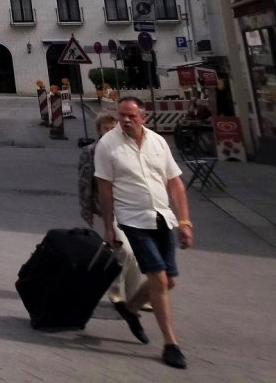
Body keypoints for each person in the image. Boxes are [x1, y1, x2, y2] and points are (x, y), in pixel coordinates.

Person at [96, 98, 194, 370]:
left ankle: (129, 309)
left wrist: (185, 222)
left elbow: (175, 182)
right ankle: (171, 344)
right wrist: (108, 226)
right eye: (122, 116)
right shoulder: (107, 145)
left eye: (131, 116)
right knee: (160, 282)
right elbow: (104, 188)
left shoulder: (158, 142)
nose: (126, 121)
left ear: (143, 117)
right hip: (132, 220)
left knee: (169, 281)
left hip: (162, 217)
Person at [79, 111, 149, 343]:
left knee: (134, 254)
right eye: (105, 129)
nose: (109, 132)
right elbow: (84, 182)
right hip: (109, 210)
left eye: (113, 128)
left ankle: (133, 297)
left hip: (133, 207)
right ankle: (118, 294)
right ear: (99, 130)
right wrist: (87, 210)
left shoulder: (127, 149)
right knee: (126, 250)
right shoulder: (91, 152)